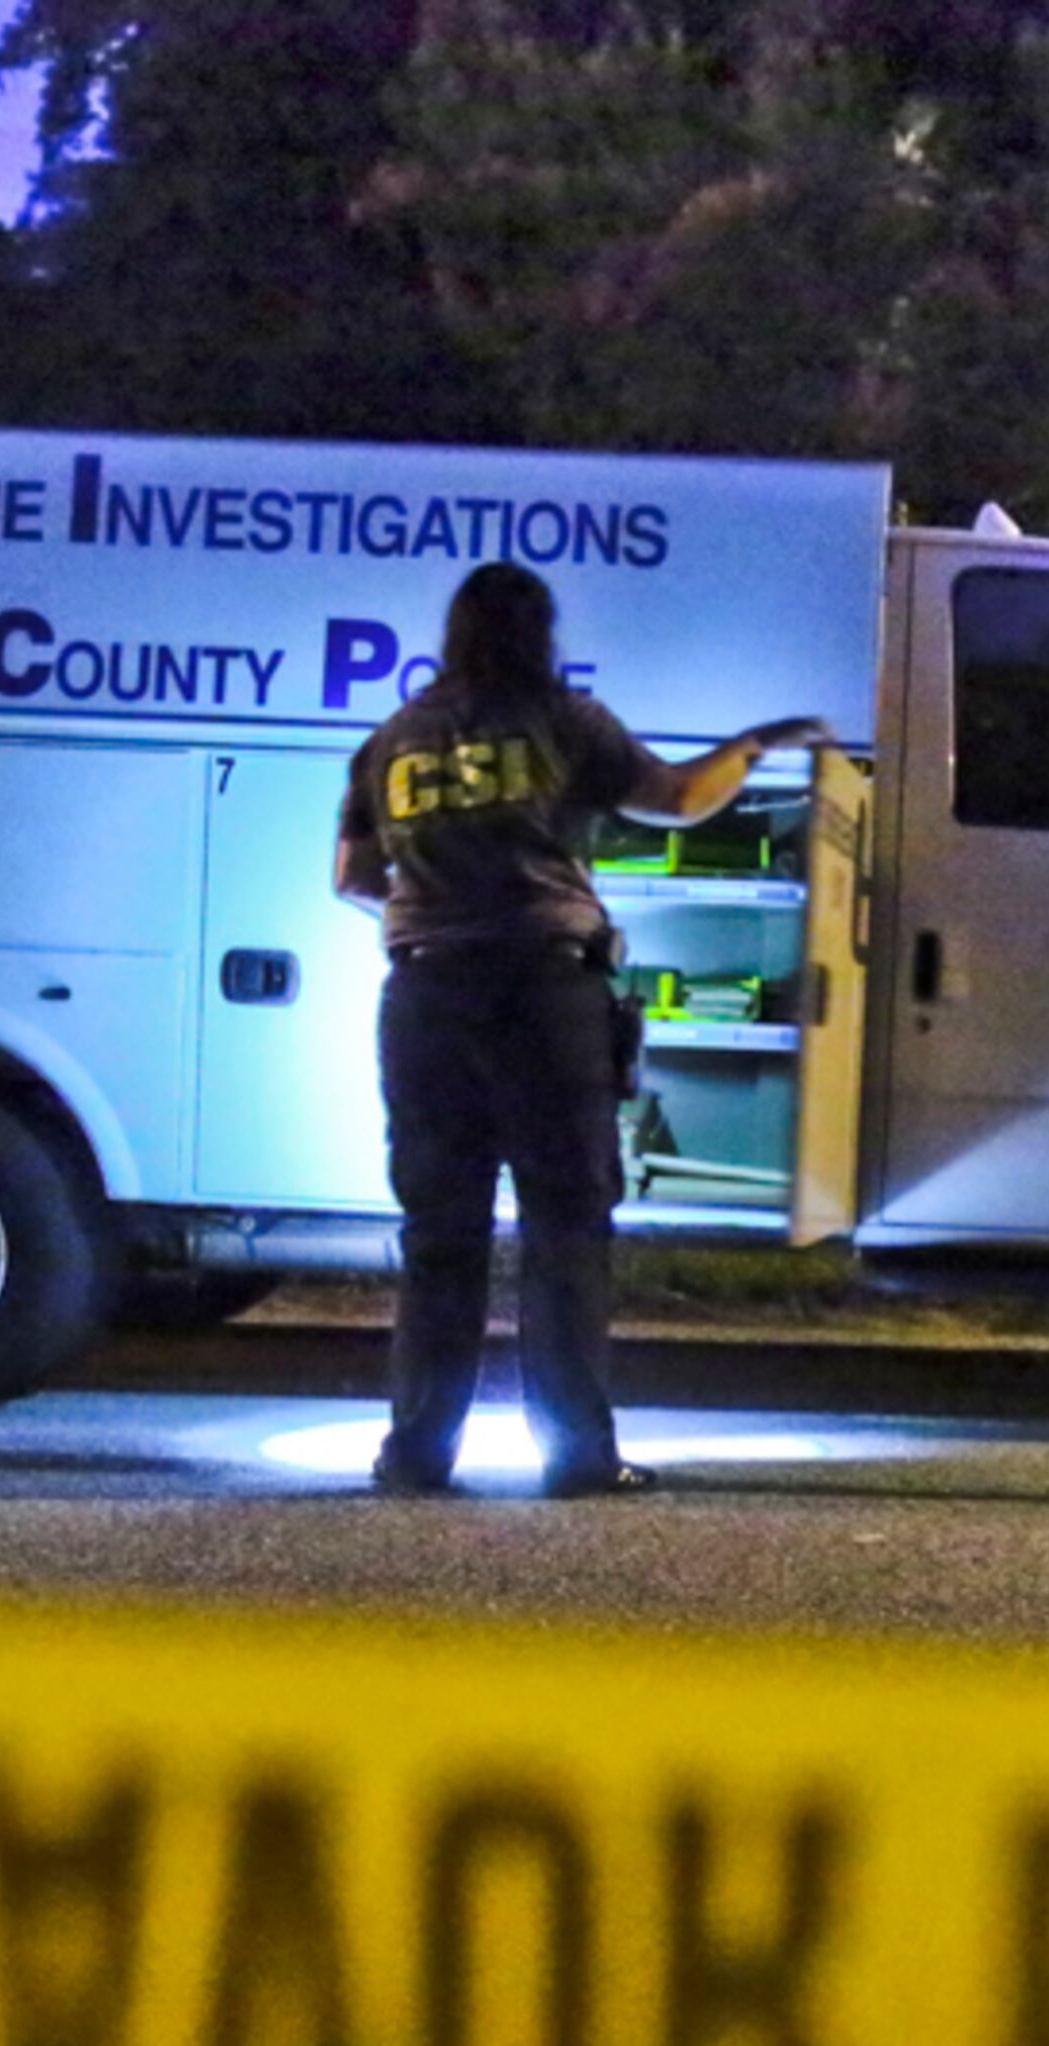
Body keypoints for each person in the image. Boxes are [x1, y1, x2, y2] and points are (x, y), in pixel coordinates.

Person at [335, 560, 823, 1498]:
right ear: (540, 636)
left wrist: (443, 908)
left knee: (441, 1231)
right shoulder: (563, 720)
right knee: (564, 1227)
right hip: (542, 994)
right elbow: (680, 797)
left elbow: (353, 875)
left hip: (424, 1001)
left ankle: (416, 1456)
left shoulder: (392, 739)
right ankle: (576, 1456)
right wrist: (757, 743)